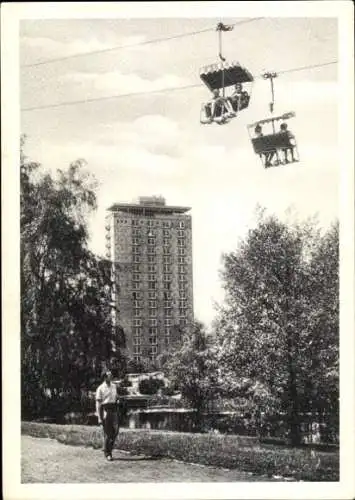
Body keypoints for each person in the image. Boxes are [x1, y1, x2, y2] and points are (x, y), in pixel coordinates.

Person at [96, 370, 120, 461]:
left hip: (114, 409)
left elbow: (116, 397)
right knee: (108, 432)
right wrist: (99, 417)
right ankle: (108, 453)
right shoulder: (100, 388)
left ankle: (106, 447)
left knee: (116, 430)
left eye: (111, 375)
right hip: (105, 409)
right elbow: (98, 404)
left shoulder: (114, 386)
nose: (112, 376)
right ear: (105, 377)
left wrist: (118, 400)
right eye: (110, 375)